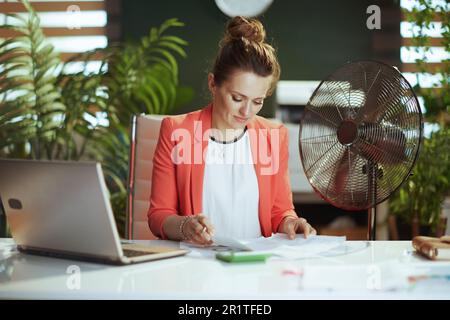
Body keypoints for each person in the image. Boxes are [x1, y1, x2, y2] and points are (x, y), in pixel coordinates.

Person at [148, 16, 316, 245]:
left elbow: (280, 211)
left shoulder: (273, 136)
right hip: (197, 265)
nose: (247, 111)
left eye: (257, 101)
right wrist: (185, 226)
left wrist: (290, 223)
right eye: (237, 98)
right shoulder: (177, 131)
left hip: (256, 266)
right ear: (212, 84)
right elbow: (159, 216)